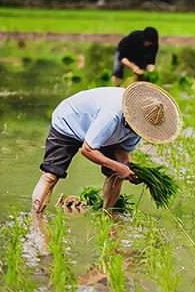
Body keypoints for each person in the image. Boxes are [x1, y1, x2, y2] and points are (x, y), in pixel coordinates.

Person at [31, 82, 182, 213]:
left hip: (103, 134)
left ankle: (107, 215)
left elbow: (122, 152)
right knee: (51, 176)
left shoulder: (141, 127)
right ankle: (35, 219)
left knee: (117, 175)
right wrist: (118, 167)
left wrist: (128, 169)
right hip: (69, 122)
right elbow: (87, 149)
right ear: (132, 117)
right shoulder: (112, 115)